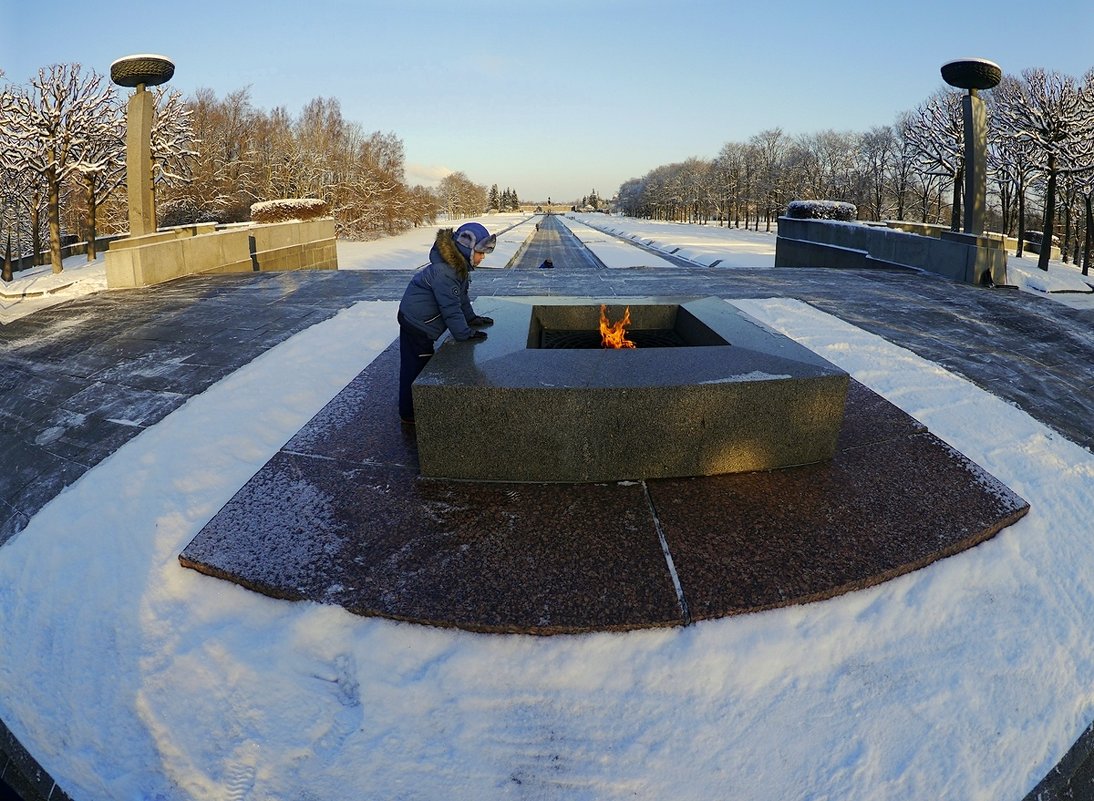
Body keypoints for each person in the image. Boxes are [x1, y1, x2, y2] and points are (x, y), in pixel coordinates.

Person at [397, 222, 496, 424]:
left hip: (420, 321)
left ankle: (416, 404)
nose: (482, 257)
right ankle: (409, 412)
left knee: (420, 363)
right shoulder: (445, 273)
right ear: (467, 247)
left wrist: (471, 319)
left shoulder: (457, 268)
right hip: (417, 324)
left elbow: (461, 298)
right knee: (415, 367)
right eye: (480, 252)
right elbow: (450, 308)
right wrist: (464, 333)